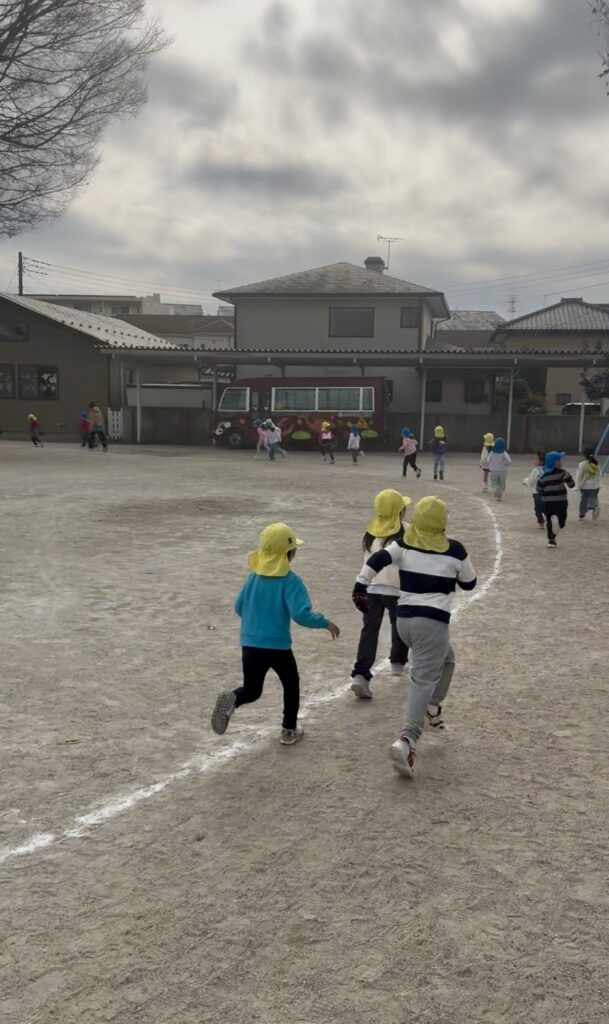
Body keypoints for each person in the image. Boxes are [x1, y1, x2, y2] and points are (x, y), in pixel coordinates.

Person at [352, 496, 476, 778]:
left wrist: (360, 584)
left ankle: (433, 706)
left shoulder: (403, 544)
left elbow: (378, 558)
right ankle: (407, 740)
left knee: (448, 659)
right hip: (432, 623)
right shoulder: (455, 550)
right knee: (422, 681)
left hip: (405, 622)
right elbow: (470, 583)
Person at [211, 523, 340, 745]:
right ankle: (289, 729)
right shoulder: (290, 580)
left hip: (250, 644)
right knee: (291, 684)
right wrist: (325, 623)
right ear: (289, 552)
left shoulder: (253, 577)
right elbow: (300, 614)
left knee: (252, 689)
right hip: (277, 647)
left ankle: (234, 698)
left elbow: (238, 606)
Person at [350, 490, 411, 699]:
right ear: (400, 511)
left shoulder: (370, 534)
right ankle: (398, 662)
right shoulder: (407, 531)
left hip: (372, 587)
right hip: (397, 589)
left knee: (369, 629)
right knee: (399, 624)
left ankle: (360, 674)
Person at [537, 451, 575, 548]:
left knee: (549, 522)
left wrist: (544, 495)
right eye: (559, 460)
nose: (561, 462)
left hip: (547, 503)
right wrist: (569, 481)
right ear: (555, 463)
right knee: (562, 519)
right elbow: (571, 484)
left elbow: (539, 489)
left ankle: (551, 540)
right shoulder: (563, 473)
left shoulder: (543, 476)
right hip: (560, 501)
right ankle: (559, 523)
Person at [575, 447, 601, 521]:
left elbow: (579, 476)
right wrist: (599, 485)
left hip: (584, 486)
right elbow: (598, 475)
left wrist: (577, 486)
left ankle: (582, 514)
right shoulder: (596, 463)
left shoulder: (582, 464)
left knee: (583, 500)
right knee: (593, 498)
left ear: (584, 455)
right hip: (594, 486)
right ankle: (594, 507)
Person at [523, 451, 546, 528]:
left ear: (541, 461)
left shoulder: (535, 470)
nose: (534, 460)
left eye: (536, 459)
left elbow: (530, 482)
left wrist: (525, 481)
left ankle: (541, 522)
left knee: (538, 509)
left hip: (537, 494)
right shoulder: (549, 470)